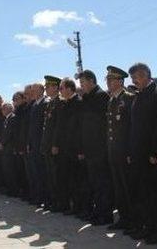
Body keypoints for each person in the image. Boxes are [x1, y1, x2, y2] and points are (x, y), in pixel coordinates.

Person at [125, 63, 157, 244]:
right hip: (138, 154)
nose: (135, 81)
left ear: (147, 75)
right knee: (144, 194)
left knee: (156, 195)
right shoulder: (139, 95)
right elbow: (134, 127)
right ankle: (148, 228)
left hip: (150, 155)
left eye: (138, 77)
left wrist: (154, 150)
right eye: (133, 78)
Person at [78, 69, 112, 225]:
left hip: (100, 148)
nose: (81, 85)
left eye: (83, 82)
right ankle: (98, 212)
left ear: (91, 81)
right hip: (89, 149)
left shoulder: (101, 96)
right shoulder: (86, 98)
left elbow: (103, 126)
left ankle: (105, 214)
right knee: (95, 183)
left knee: (102, 183)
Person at [104, 66, 134, 232]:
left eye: (111, 79)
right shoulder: (111, 100)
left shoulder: (129, 98)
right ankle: (124, 218)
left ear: (120, 81)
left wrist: (130, 151)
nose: (108, 82)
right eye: (107, 79)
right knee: (119, 187)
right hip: (113, 151)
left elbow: (131, 127)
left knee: (128, 187)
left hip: (124, 152)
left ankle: (134, 220)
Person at [54, 77, 85, 216]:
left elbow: (79, 128)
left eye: (61, 88)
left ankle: (80, 207)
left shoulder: (78, 102)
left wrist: (80, 149)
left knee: (77, 180)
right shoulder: (63, 104)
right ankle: (71, 205)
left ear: (69, 88)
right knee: (67, 179)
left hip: (75, 148)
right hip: (64, 148)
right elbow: (59, 127)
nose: (60, 91)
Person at [41, 75, 63, 211]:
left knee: (57, 176)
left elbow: (59, 126)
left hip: (54, 146)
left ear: (56, 87)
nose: (46, 89)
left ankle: (59, 202)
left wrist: (55, 144)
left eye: (48, 87)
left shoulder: (60, 102)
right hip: (48, 145)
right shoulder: (50, 103)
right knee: (50, 175)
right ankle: (53, 201)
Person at [27, 83, 48, 207]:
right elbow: (31, 127)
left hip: (41, 142)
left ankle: (46, 198)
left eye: (35, 90)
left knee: (43, 173)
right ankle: (39, 197)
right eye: (32, 91)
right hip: (34, 143)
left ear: (41, 90)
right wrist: (29, 142)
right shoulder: (34, 105)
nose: (33, 92)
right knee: (36, 173)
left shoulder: (45, 103)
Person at [0, 102, 19, 196]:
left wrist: (2, 143)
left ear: (10, 109)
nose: (2, 111)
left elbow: (10, 133)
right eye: (2, 109)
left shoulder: (13, 118)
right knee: (7, 170)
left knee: (11, 170)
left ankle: (14, 190)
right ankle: (10, 189)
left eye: (4, 108)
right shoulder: (6, 119)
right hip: (5, 148)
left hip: (10, 148)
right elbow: (3, 133)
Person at [12, 91, 30, 198]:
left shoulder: (25, 110)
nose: (15, 101)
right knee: (19, 171)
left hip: (23, 145)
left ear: (23, 99)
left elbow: (24, 130)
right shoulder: (17, 111)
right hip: (17, 145)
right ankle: (23, 191)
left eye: (17, 99)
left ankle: (28, 192)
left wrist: (22, 145)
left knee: (25, 172)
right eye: (13, 99)